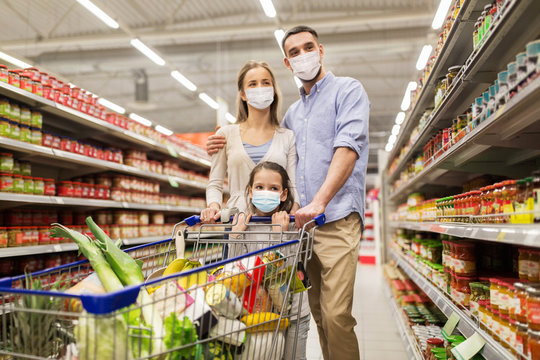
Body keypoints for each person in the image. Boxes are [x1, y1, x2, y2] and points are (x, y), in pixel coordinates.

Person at [206, 25, 369, 360]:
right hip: (294, 230)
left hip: (333, 217)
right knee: (317, 314)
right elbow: (257, 175)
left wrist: (316, 202)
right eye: (294, 52)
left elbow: (347, 147)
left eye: (308, 47)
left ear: (320, 50)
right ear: (287, 61)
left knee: (336, 314)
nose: (303, 55)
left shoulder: (347, 90)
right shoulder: (295, 114)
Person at [200, 60, 300, 224]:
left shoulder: (287, 136)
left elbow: (292, 184)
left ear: (273, 91)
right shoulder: (226, 134)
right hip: (237, 224)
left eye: (266, 83)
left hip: (277, 225)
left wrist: (294, 209)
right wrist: (213, 206)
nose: (260, 88)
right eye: (252, 84)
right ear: (243, 94)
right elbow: (215, 183)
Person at [230, 161, 311, 360]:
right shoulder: (245, 224)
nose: (265, 192)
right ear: (250, 191)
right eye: (259, 187)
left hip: (292, 310)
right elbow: (236, 268)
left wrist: (278, 235)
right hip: (257, 310)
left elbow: (285, 270)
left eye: (273, 188)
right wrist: (235, 236)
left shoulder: (292, 225)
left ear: (283, 194)